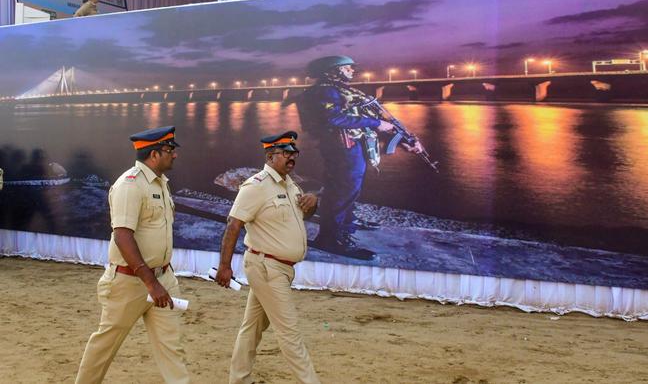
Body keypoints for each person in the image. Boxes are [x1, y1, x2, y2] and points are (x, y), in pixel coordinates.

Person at [75, 126, 190, 384]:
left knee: (173, 348)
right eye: (170, 150)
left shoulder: (161, 183)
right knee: (105, 346)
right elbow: (122, 236)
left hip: (163, 279)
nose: (175, 155)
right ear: (154, 154)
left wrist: (159, 281)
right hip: (130, 283)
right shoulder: (129, 185)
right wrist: (151, 283)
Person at [215, 132, 320, 384]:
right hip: (266, 267)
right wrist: (224, 266)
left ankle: (238, 380)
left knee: (251, 329)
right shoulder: (256, 186)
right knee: (290, 333)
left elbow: (298, 217)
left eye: (294, 153)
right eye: (285, 153)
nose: (291, 158)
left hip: (279, 269)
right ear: (270, 156)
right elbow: (233, 225)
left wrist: (313, 202)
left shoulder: (290, 184)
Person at [296, 56, 422, 260]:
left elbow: (358, 117)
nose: (352, 71)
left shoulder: (342, 90)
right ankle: (331, 239)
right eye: (347, 68)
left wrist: (400, 138)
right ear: (332, 71)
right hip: (341, 147)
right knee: (343, 189)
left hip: (351, 145)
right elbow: (334, 118)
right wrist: (375, 124)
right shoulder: (325, 91)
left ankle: (346, 223)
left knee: (346, 188)